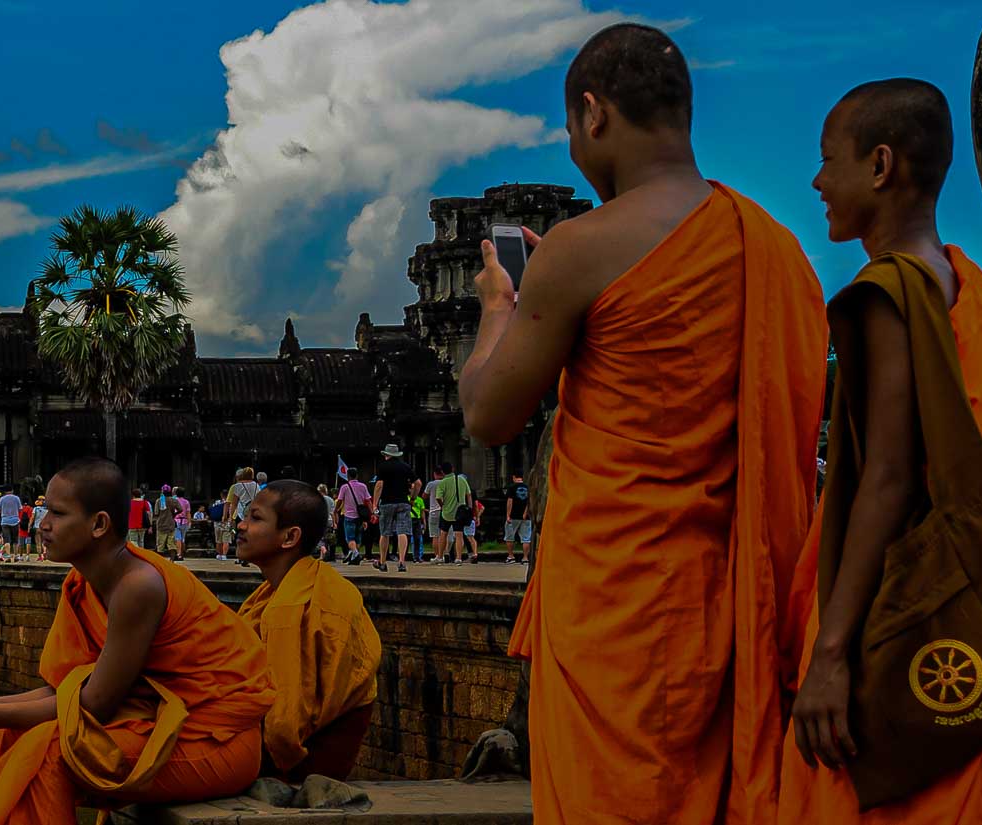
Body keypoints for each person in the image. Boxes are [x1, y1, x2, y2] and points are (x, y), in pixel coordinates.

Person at [452, 23, 828, 824]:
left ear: (593, 114)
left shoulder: (579, 249)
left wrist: (496, 310)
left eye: (568, 128)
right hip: (738, 602)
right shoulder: (777, 248)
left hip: (617, 612)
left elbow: (487, 412)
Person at [781, 77, 982, 824]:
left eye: (828, 160)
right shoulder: (973, 290)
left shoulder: (889, 293)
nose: (817, 181)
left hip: (911, 632)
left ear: (880, 165)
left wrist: (831, 653)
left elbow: (889, 479)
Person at [0, 457, 277, 824]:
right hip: (160, 725)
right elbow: (65, 689)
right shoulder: (81, 585)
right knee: (7, 738)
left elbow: (94, 704)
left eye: (58, 514)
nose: (42, 525)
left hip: (216, 741)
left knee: (47, 754)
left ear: (99, 524)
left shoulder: (138, 587)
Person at [232, 478, 382, 781]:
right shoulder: (270, 594)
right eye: (246, 516)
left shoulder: (294, 606)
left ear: (289, 537)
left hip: (303, 758)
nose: (241, 526)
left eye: (255, 518)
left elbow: (284, 726)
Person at [371, 446, 416, 572]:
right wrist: (412, 498)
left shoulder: (383, 467)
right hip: (403, 502)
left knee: (385, 533)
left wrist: (374, 504)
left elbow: (379, 485)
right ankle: (401, 562)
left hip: (386, 503)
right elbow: (417, 483)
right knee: (402, 532)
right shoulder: (406, 467)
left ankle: (383, 562)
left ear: (387, 455)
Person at [332, 471, 369, 564]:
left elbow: (340, 500)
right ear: (357, 475)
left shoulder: (344, 487)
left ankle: (355, 554)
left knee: (350, 538)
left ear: (348, 476)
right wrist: (372, 512)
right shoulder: (363, 486)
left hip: (349, 515)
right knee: (358, 537)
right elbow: (368, 500)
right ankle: (352, 555)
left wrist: (336, 509)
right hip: (360, 516)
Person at [501, 475, 532, 564]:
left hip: (513, 516)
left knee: (510, 537)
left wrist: (508, 515)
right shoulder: (528, 487)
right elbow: (529, 501)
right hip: (525, 517)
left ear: (514, 477)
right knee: (526, 538)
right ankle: (525, 558)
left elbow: (510, 501)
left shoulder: (511, 487)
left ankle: (511, 556)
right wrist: (525, 513)